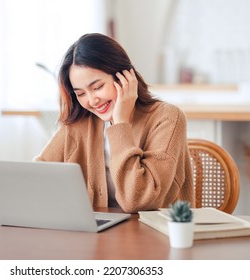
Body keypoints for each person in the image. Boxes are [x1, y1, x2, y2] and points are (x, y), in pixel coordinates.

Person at [35, 33, 194, 213]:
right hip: (96, 236)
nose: (92, 100)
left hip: (154, 236)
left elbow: (137, 201)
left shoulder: (168, 118)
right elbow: (38, 176)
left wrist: (120, 124)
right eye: (80, 94)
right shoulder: (80, 121)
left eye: (97, 87)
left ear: (124, 77)